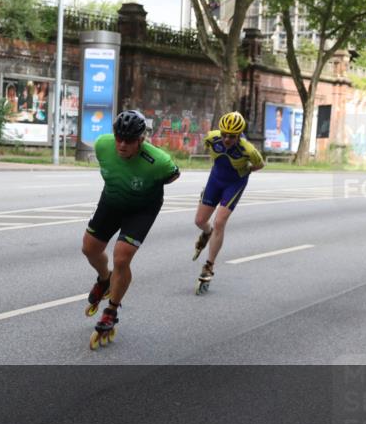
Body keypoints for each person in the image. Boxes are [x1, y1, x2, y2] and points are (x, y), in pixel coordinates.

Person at [82, 110, 180, 350]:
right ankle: (104, 279)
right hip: (112, 200)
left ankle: (111, 310)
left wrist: (146, 188)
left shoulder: (159, 161)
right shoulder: (103, 146)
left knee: (122, 257)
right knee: (89, 249)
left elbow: (173, 175)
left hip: (142, 209)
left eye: (129, 140)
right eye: (119, 138)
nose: (122, 145)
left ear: (141, 140)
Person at [192, 111, 264, 293]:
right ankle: (206, 233)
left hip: (234, 182)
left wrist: (246, 169)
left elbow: (259, 164)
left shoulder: (248, 149)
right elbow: (208, 147)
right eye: (224, 134)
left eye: (231, 137)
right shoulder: (212, 138)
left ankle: (209, 265)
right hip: (216, 178)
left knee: (219, 222)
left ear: (239, 135)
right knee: (200, 221)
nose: (226, 139)